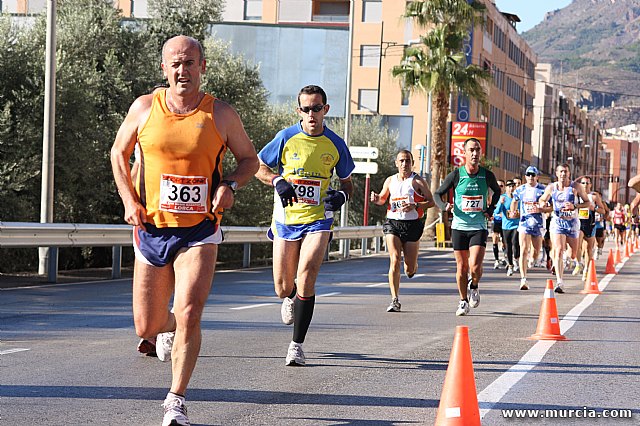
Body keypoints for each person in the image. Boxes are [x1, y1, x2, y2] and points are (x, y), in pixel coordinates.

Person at [110, 35, 259, 426]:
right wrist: (129, 201)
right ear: (164, 69)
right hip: (152, 228)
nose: (183, 70)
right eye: (175, 63)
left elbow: (248, 159)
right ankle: (168, 328)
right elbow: (117, 153)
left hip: (200, 229)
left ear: (202, 67)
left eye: (190, 63)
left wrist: (230, 185)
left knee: (191, 310)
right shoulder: (145, 108)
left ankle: (175, 400)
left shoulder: (220, 114)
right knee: (148, 324)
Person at [255, 85, 355, 366]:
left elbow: (348, 182)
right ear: (299, 111)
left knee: (307, 274)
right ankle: (289, 297)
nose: (312, 114)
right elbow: (257, 166)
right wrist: (278, 181)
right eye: (306, 109)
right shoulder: (286, 137)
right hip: (287, 220)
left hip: (318, 219)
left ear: (326, 110)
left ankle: (296, 345)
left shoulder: (335, 143)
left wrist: (343, 195)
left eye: (317, 108)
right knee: (282, 285)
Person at [434, 138, 501, 316]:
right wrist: (444, 206)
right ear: (464, 153)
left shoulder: (486, 175)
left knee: (475, 266)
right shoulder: (456, 175)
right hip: (459, 226)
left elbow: (497, 191)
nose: (475, 153)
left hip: (478, 225)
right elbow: (437, 194)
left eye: (477, 150)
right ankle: (463, 301)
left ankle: (475, 285)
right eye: (471, 150)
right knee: (462, 266)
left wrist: (491, 208)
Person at [370, 150, 435, 312]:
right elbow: (383, 199)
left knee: (409, 269)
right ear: (396, 163)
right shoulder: (390, 180)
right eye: (402, 161)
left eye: (407, 161)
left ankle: (413, 266)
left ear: (412, 163)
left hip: (412, 225)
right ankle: (394, 299)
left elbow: (431, 201)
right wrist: (376, 198)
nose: (404, 164)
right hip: (393, 223)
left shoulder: (418, 181)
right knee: (394, 259)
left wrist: (416, 205)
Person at [538, 163, 591, 293]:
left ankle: (570, 260)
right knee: (559, 249)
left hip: (572, 222)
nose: (563, 174)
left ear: (569, 173)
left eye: (565, 172)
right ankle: (560, 282)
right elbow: (542, 199)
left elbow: (587, 203)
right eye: (561, 172)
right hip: (557, 221)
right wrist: (543, 204)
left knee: (573, 254)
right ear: (556, 173)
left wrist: (575, 206)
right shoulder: (551, 188)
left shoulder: (576, 187)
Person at [511, 166, 549, 290]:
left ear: (537, 176)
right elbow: (514, 201)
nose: (530, 177)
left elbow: (551, 206)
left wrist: (542, 209)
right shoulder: (520, 190)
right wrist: (513, 212)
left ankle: (533, 260)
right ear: (525, 176)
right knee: (523, 250)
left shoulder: (543, 189)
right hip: (524, 222)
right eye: (528, 175)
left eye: (533, 175)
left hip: (538, 223)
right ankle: (523, 279)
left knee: (535, 252)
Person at [574, 176, 606, 280]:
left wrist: (595, 208)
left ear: (591, 185)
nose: (585, 185)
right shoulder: (576, 194)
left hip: (590, 224)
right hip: (579, 223)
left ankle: (586, 270)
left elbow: (603, 210)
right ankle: (578, 263)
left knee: (589, 249)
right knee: (577, 245)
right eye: (583, 183)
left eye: (587, 183)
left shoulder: (594, 197)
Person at [495, 180, 520, 277]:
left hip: (516, 225)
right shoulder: (503, 198)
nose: (511, 188)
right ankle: (510, 265)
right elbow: (496, 211)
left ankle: (516, 259)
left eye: (513, 186)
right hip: (506, 226)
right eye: (509, 186)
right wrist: (501, 204)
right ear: (506, 188)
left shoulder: (518, 197)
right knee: (508, 246)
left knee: (515, 242)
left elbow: (522, 209)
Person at [491, 180, 507, 269]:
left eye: (501, 186)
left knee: (505, 243)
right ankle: (496, 260)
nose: (499, 187)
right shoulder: (493, 196)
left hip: (504, 222)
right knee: (495, 238)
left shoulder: (505, 197)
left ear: (504, 187)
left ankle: (506, 258)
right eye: (497, 186)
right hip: (495, 221)